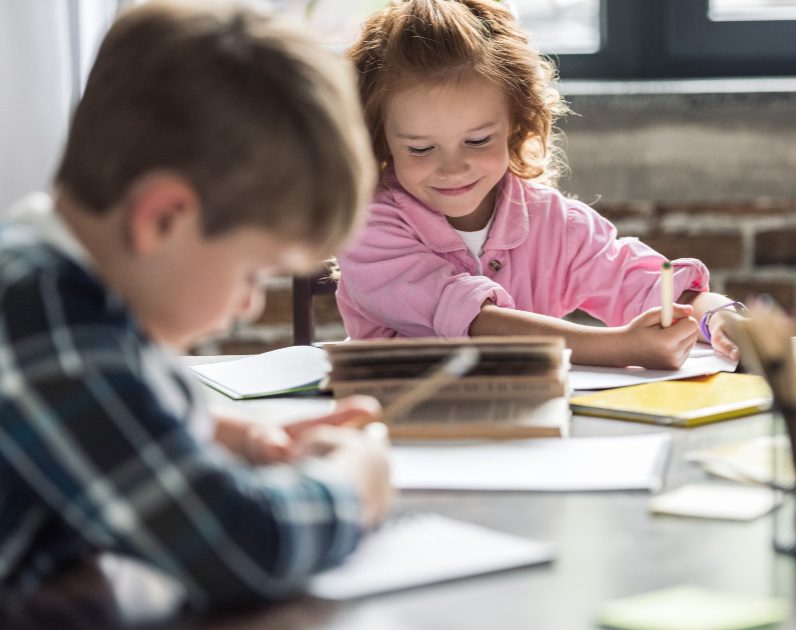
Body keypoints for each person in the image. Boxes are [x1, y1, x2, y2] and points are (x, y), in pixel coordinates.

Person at [0, 0, 391, 611]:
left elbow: (115, 415)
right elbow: (240, 548)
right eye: (254, 272)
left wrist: (239, 436)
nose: (247, 303)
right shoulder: (40, 318)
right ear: (163, 219)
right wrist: (353, 482)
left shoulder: (54, 280)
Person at [336, 0, 747, 370]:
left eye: (478, 140)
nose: (452, 167)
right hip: (400, 434)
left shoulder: (555, 222)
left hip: (535, 434)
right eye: (421, 148)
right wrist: (620, 347)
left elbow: (646, 287)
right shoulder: (367, 227)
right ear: (381, 139)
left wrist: (717, 317)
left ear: (516, 123)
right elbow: (471, 319)